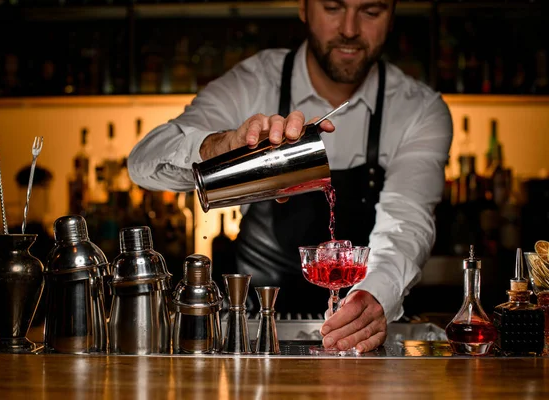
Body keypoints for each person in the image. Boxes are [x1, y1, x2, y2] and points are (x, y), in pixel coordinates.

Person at [128, 0, 453, 353]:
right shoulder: (254, 81)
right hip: (257, 334)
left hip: (363, 344)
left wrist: (375, 295)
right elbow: (143, 162)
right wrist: (220, 146)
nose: (349, 29)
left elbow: (407, 221)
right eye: (332, 7)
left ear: (392, 17)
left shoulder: (419, 109)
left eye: (370, 12)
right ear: (303, 8)